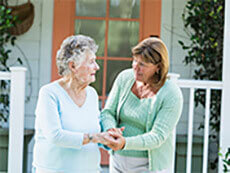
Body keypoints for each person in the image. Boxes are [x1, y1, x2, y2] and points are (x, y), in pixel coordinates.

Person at [100, 37, 183, 173]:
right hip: (117, 160)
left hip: (149, 166)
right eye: (135, 61)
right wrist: (111, 130)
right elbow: (108, 112)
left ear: (158, 67)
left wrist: (125, 143)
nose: (136, 68)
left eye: (143, 64)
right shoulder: (124, 78)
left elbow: (157, 136)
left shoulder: (171, 94)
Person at [32, 35, 112, 173]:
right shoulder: (49, 93)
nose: (97, 67)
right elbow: (55, 136)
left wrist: (109, 138)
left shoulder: (92, 94)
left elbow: (95, 132)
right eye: (91, 61)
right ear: (73, 66)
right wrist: (93, 137)